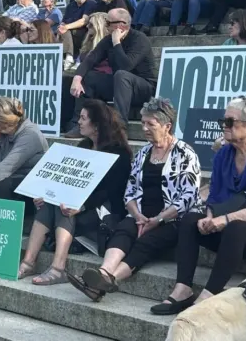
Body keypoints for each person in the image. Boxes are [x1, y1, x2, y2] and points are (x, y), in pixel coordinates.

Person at [152, 97, 246, 315]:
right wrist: (210, 216)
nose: (224, 126)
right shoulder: (224, 154)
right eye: (223, 120)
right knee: (191, 219)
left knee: (236, 227)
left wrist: (225, 219)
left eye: (230, 121)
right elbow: (215, 195)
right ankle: (183, 287)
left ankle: (210, 293)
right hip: (228, 228)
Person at [69, 99, 201, 302]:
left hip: (172, 219)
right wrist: (138, 216)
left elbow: (188, 197)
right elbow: (129, 192)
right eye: (143, 123)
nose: (145, 128)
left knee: (145, 242)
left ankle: (106, 280)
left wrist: (158, 219)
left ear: (167, 126)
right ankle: (103, 272)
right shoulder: (143, 153)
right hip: (140, 214)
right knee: (124, 229)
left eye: (151, 124)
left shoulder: (185, 153)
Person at [18, 99, 131, 285]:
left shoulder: (119, 153)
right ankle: (28, 262)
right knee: (51, 202)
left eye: (83, 118)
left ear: (96, 125)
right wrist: (44, 194)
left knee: (66, 206)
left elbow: (111, 192)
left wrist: (82, 205)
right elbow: (65, 180)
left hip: (105, 211)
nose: (78, 122)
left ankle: (58, 268)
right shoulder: (84, 146)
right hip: (81, 205)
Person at [67, 8, 154, 135]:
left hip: (144, 88)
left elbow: (126, 66)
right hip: (120, 85)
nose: (105, 25)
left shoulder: (140, 39)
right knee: (88, 77)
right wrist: (77, 78)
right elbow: (90, 60)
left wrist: (116, 42)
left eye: (108, 23)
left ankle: (119, 127)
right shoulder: (108, 40)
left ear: (121, 25)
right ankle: (81, 124)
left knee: (121, 74)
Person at [58, 0, 97, 71]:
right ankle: (69, 57)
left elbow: (84, 21)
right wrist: (62, 26)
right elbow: (64, 21)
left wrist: (66, 26)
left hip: (85, 31)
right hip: (70, 33)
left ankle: (75, 58)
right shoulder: (71, 5)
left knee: (65, 29)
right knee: (61, 29)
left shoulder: (91, 3)